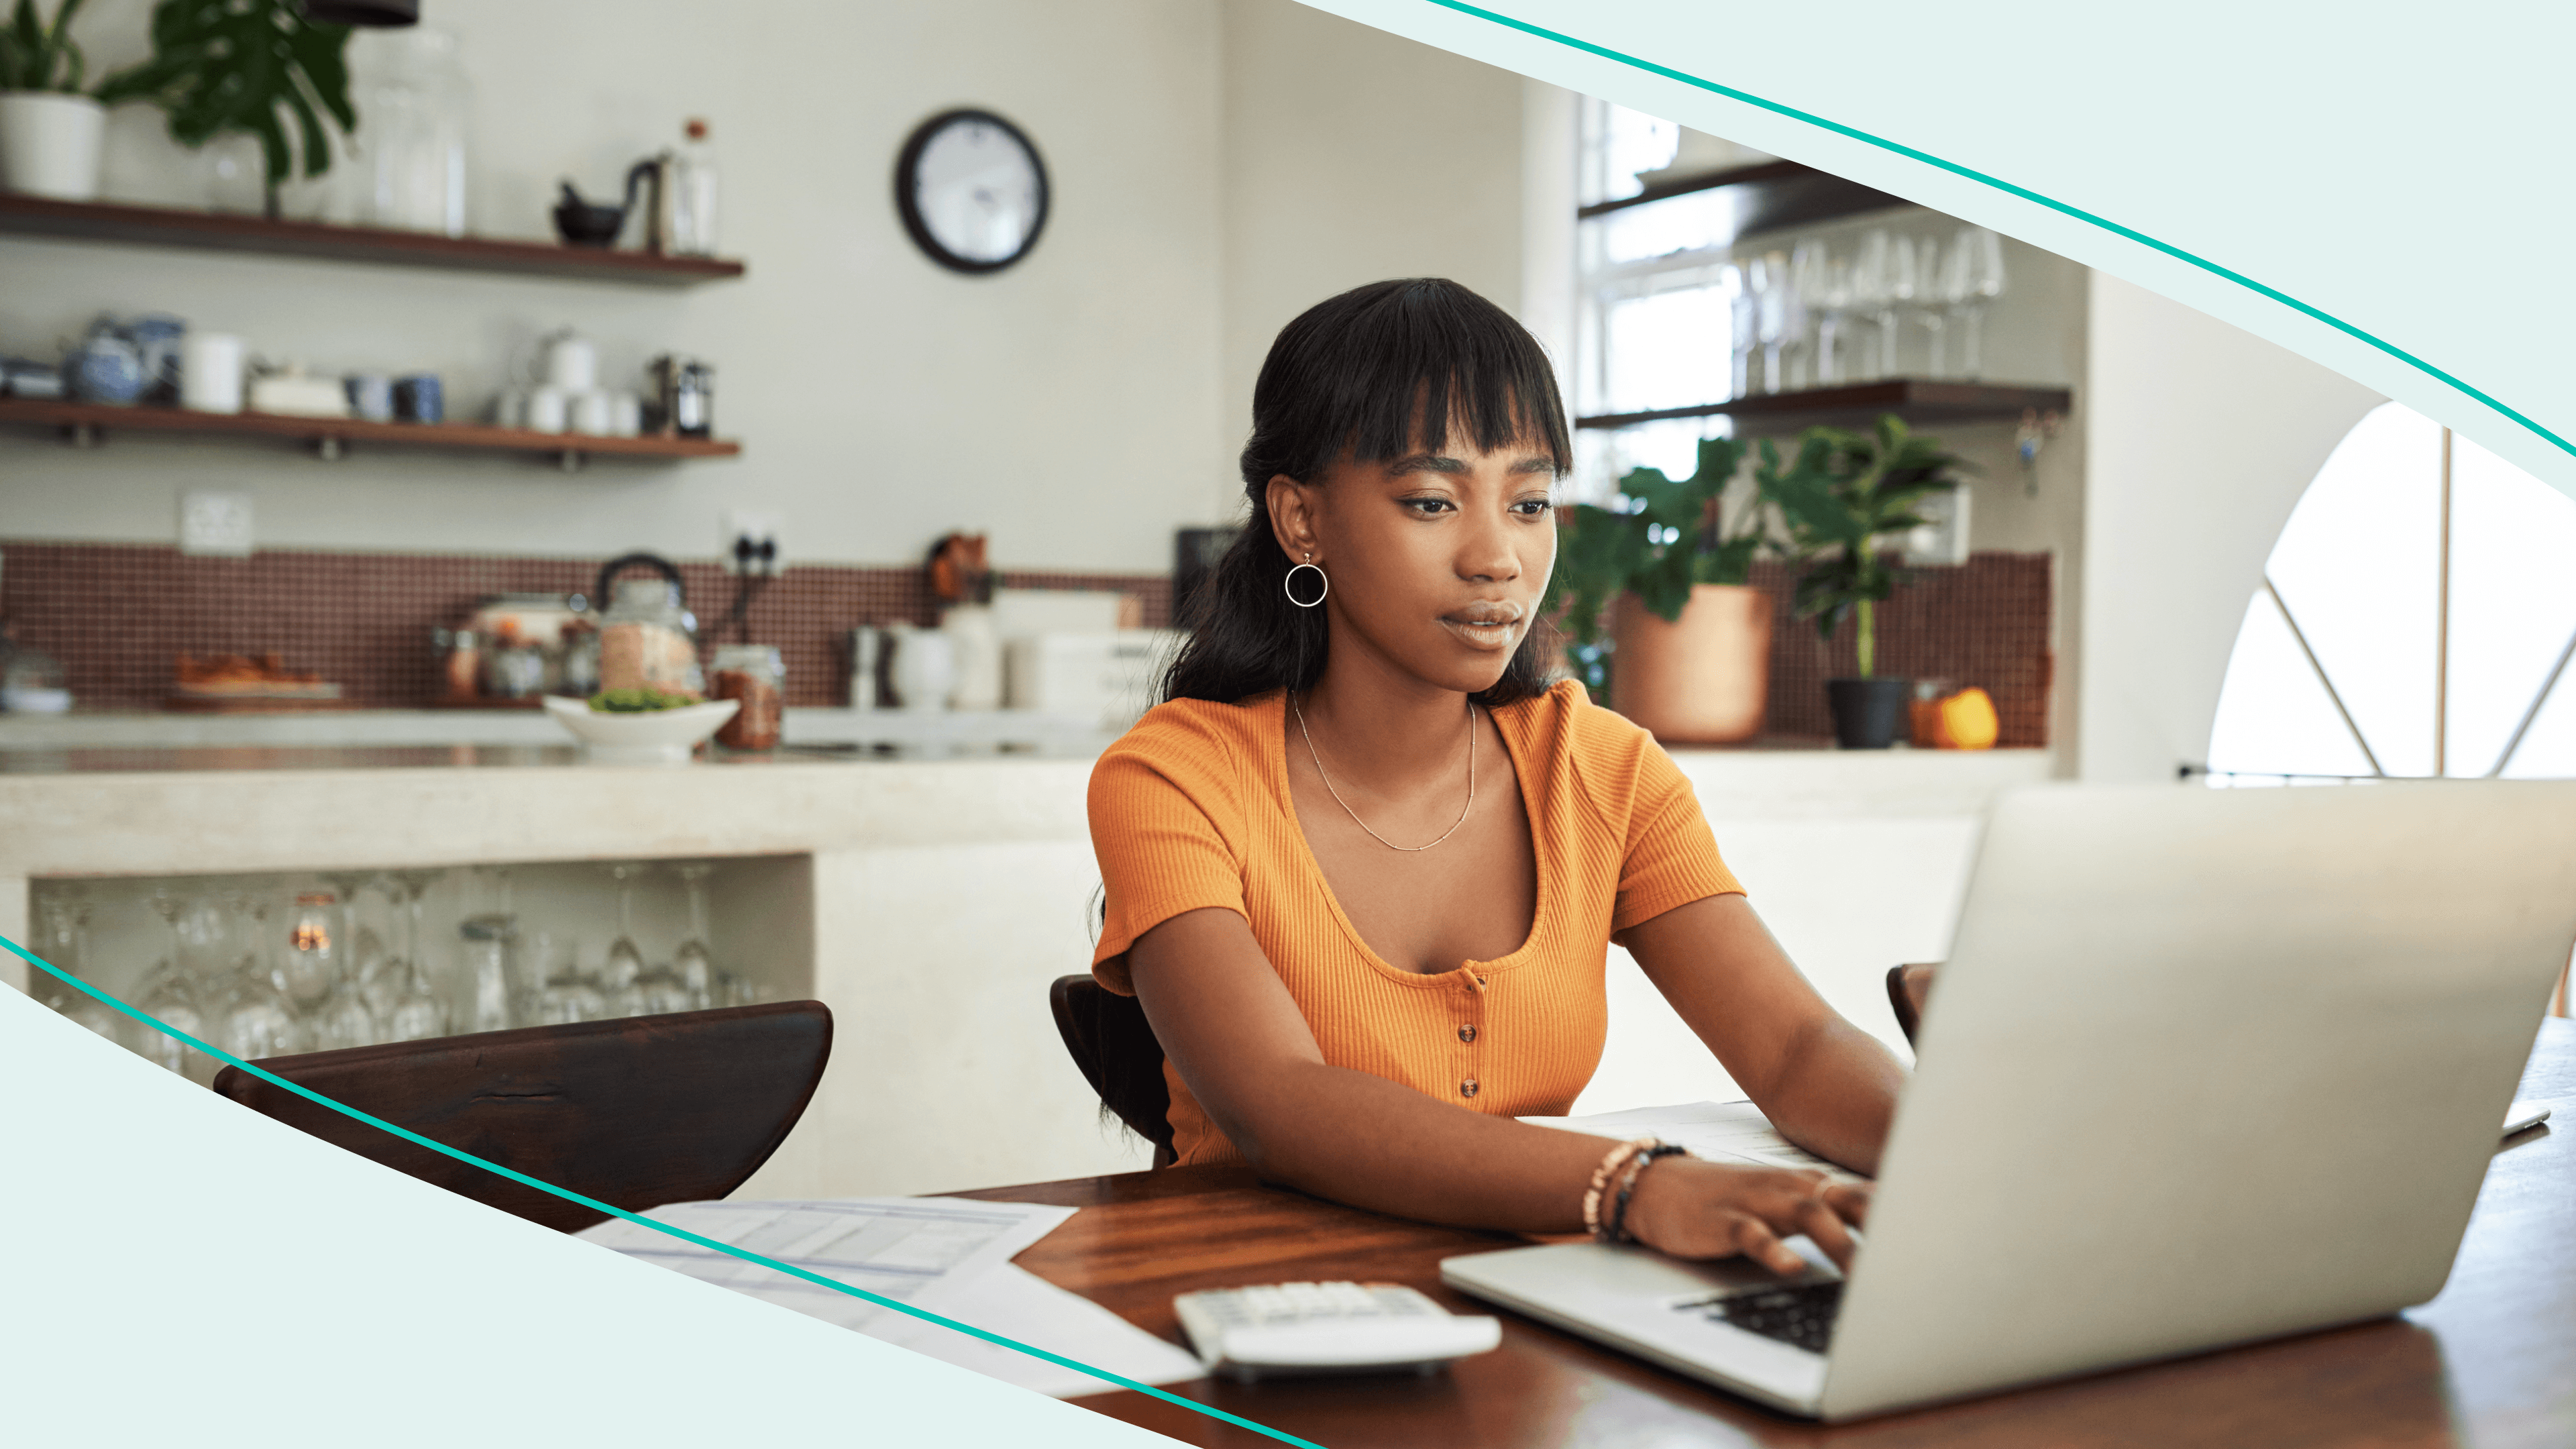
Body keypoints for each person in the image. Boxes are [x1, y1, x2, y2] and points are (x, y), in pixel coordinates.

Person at [1086, 278, 1904, 1274]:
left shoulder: (1601, 770)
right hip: (1255, 1309)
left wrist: (1967, 1164)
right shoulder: (1175, 777)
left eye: (1530, 503)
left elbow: (1795, 1048)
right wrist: (1634, 1186)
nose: (1498, 558)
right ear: (1302, 521)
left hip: (1537, 1298)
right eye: (1432, 502)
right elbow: (1279, 1104)